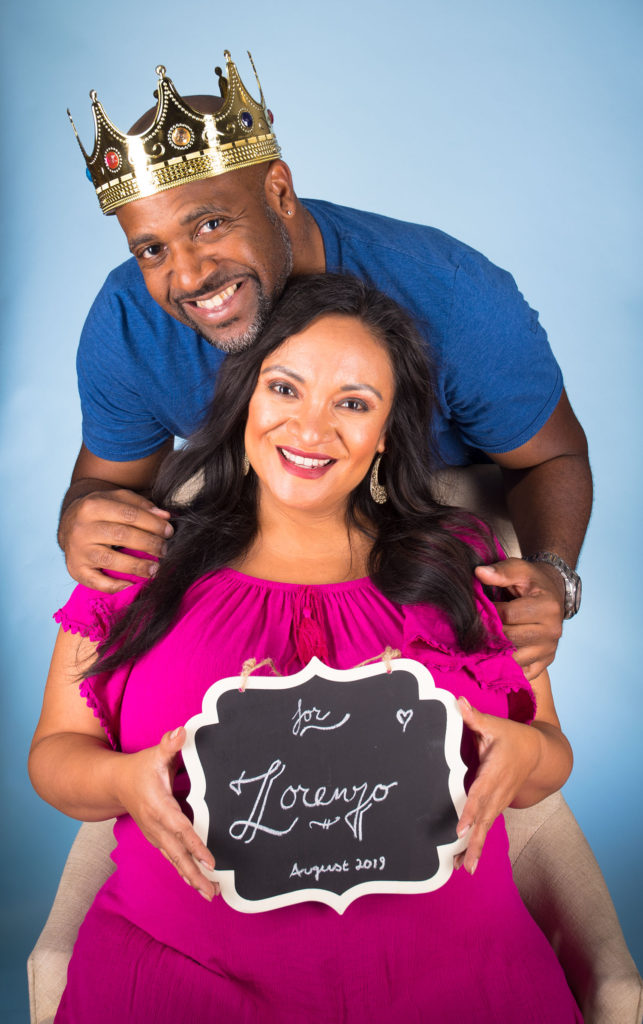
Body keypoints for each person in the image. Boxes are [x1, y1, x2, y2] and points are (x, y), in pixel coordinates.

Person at [31, 274, 582, 1022]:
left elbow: (547, 750)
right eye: (285, 389)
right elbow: (57, 756)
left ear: (388, 429)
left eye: (352, 403)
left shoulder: (468, 561)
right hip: (182, 976)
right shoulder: (133, 560)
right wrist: (125, 781)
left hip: (456, 980)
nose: (311, 428)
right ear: (245, 398)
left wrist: (524, 754)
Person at [60, 51, 591, 683]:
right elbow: (104, 484)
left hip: (432, 528)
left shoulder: (452, 293)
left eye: (209, 224)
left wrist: (553, 576)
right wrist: (80, 517)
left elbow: (552, 457)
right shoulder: (128, 323)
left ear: (278, 191)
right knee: (183, 492)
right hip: (248, 536)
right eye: (153, 249)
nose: (190, 276)